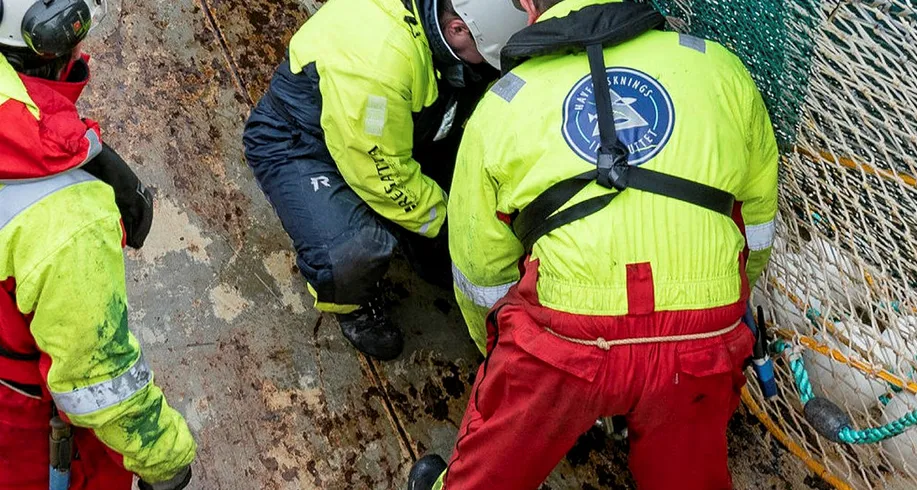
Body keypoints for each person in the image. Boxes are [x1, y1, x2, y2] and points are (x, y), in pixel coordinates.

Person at [407, 0, 780, 487]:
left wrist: (496, 355)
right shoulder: (722, 69)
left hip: (563, 343)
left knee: (490, 474)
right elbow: (756, 226)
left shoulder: (502, 104)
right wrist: (729, 313)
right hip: (703, 337)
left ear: (525, 4)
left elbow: (481, 273)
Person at [243, 0, 527, 361]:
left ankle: (420, 243)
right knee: (352, 253)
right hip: (302, 139)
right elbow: (383, 176)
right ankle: (353, 307)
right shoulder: (378, 64)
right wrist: (456, 229)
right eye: (488, 55)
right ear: (457, 29)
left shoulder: (449, 29)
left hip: (391, 124)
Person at [0, 1, 196, 489]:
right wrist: (167, 462)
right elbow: (100, 382)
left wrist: (82, 150)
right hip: (21, 434)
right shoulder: (67, 223)